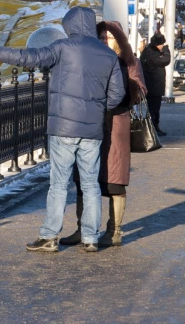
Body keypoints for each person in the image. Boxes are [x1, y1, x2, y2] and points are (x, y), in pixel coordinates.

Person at [0, 7, 125, 253]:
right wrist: (96, 107)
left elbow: (28, 57)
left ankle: (50, 237)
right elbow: (117, 95)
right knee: (90, 185)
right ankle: (90, 238)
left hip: (63, 127)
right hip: (92, 131)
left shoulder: (63, 48)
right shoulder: (108, 55)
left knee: (58, 184)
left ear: (70, 26)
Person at [60, 21, 147, 248]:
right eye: (98, 38)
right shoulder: (89, 58)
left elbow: (139, 91)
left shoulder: (129, 62)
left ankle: (114, 231)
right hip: (89, 123)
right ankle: (83, 229)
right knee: (83, 180)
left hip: (116, 126)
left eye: (107, 38)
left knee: (114, 181)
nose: (103, 42)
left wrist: (120, 85)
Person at [140, 33, 171, 136]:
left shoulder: (148, 51)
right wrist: (166, 50)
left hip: (153, 85)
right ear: (158, 44)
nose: (163, 46)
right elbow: (166, 60)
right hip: (153, 85)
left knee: (154, 109)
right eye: (162, 44)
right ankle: (153, 129)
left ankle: (154, 128)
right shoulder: (151, 53)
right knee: (154, 109)